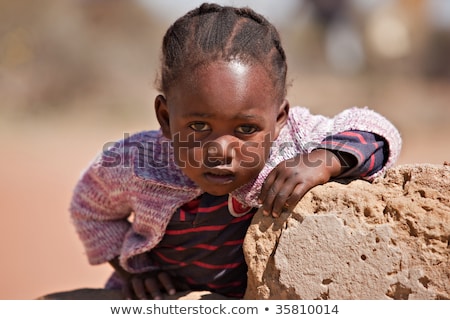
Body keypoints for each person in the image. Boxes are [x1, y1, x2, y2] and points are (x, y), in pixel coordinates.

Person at [70, 3, 401, 300]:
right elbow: (88, 208)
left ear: (279, 119)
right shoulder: (137, 162)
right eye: (198, 126)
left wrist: (324, 160)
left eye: (245, 130)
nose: (220, 150)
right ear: (166, 118)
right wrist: (136, 273)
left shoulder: (294, 141)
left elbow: (378, 129)